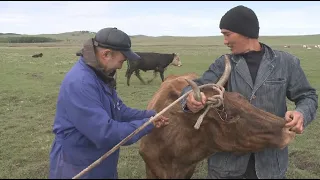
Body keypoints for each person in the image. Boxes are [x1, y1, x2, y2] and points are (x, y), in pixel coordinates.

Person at [180, 5, 318, 179]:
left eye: (227, 34)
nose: (224, 41)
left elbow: (308, 97)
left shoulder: (286, 63)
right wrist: (190, 100)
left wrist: (301, 114)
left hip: (270, 166)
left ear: (244, 31)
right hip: (226, 166)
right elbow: (195, 88)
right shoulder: (222, 64)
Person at [49, 27, 169, 179]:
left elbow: (120, 111)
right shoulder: (81, 83)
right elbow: (105, 133)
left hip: (100, 160)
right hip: (78, 164)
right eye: (121, 60)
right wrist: (147, 125)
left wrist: (151, 114)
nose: (121, 66)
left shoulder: (101, 75)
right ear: (106, 54)